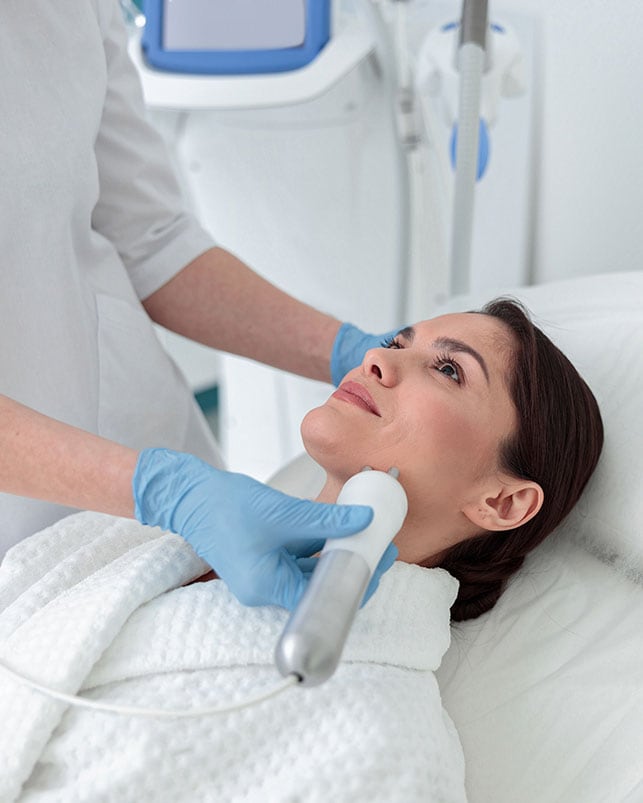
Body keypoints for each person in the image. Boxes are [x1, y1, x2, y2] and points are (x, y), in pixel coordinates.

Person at [0, 0, 396, 609]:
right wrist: (161, 489)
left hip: (148, 451)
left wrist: (346, 350)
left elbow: (151, 239)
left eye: (449, 368)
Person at [299, 297, 604, 620]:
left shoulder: (332, 645)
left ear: (502, 503)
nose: (375, 356)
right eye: (396, 345)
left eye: (448, 370)